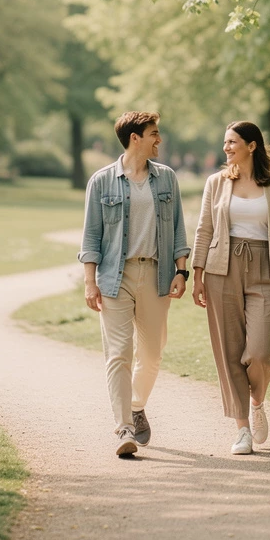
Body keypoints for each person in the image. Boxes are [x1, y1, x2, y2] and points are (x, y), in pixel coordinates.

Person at [79, 111, 190, 457]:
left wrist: (181, 270)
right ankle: (124, 426)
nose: (159, 139)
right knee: (119, 353)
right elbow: (92, 235)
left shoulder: (166, 179)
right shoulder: (102, 181)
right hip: (115, 276)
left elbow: (178, 228)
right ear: (135, 138)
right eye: (154, 134)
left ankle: (136, 405)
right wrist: (89, 282)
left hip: (156, 275)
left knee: (153, 354)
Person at [191, 120, 270, 455]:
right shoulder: (217, 182)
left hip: (266, 269)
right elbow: (204, 229)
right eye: (224, 142)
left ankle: (257, 401)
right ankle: (242, 429)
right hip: (221, 268)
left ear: (252, 145)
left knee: (260, 351)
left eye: (232, 141)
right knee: (229, 350)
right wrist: (197, 274)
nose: (226, 147)